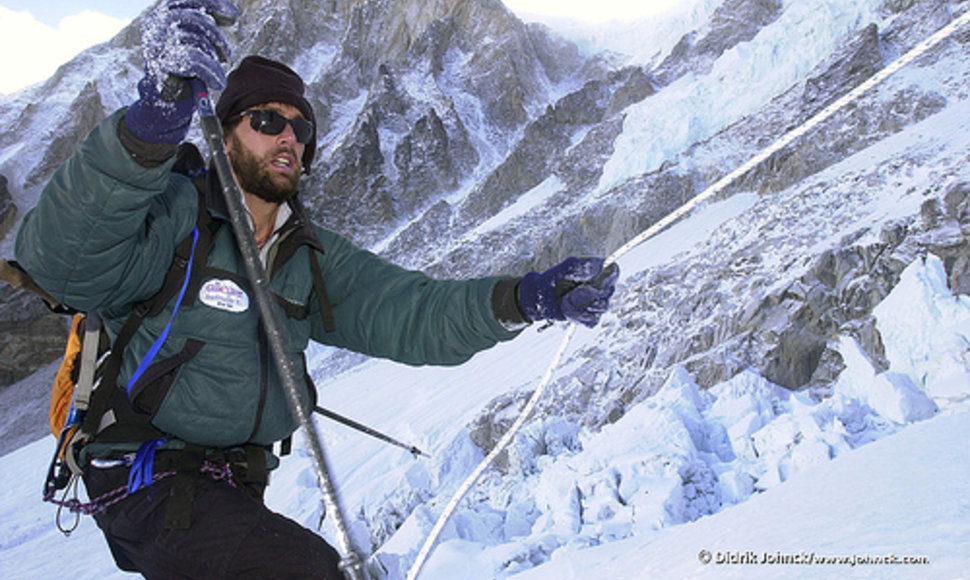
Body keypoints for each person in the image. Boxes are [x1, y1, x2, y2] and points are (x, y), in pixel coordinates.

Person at [15, 0, 619, 578]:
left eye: (301, 127)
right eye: (267, 120)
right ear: (226, 136)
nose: (289, 137)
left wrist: (527, 298)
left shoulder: (308, 254)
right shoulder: (172, 217)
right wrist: (152, 125)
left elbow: (414, 313)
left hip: (231, 488)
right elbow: (60, 260)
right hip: (142, 474)